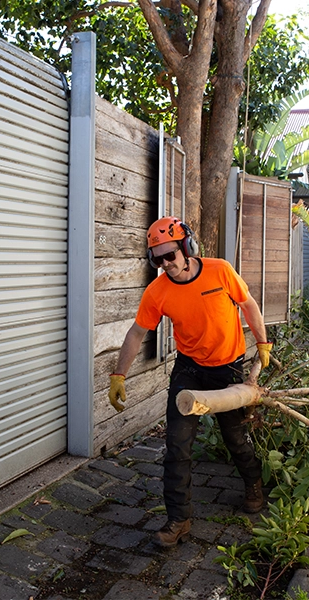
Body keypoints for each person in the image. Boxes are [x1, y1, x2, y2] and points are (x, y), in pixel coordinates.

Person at [108, 216, 273, 547]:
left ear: (188, 247)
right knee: (177, 448)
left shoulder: (220, 270)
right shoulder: (158, 292)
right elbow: (137, 333)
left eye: (171, 255)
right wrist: (118, 374)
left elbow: (248, 304)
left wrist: (263, 342)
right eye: (158, 259)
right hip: (189, 371)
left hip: (229, 370)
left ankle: (253, 484)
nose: (166, 264)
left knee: (236, 438)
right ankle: (178, 519)